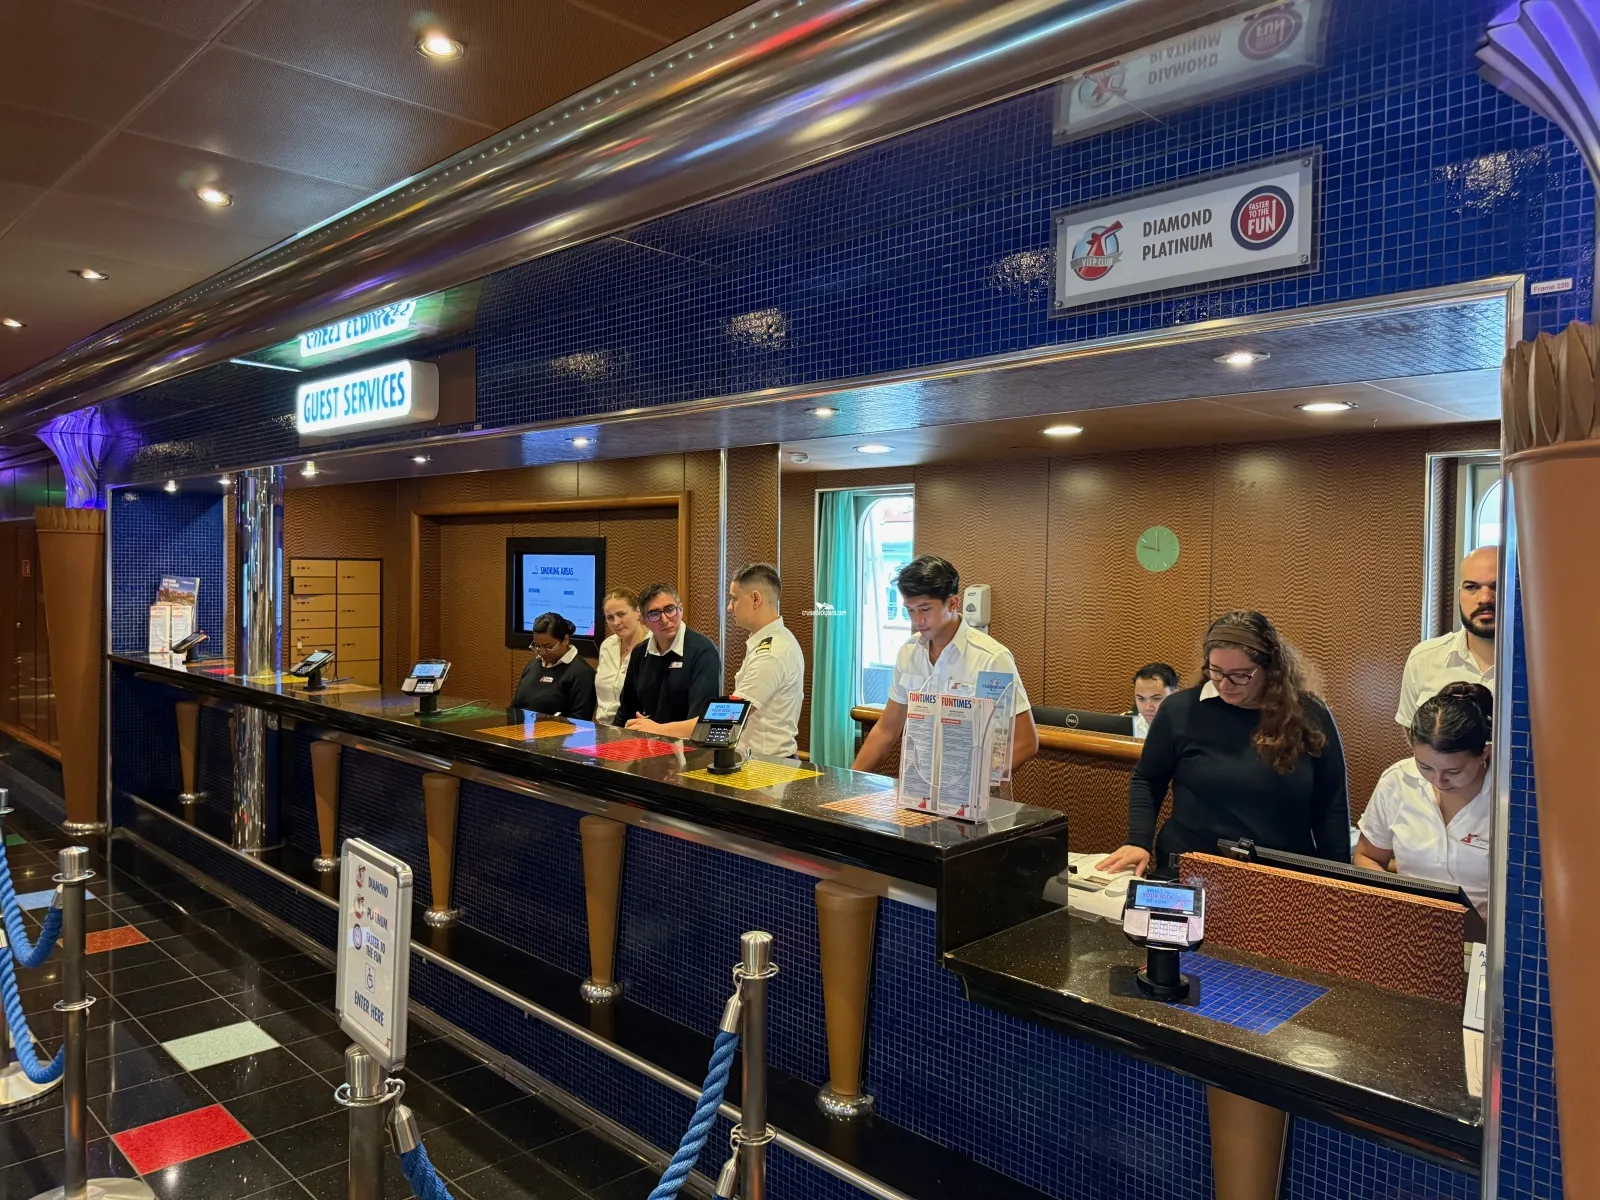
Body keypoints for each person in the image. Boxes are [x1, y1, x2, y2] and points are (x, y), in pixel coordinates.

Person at [1097, 611, 1350, 877]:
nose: (1225, 685)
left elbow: (1331, 805)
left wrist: (1341, 881)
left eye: (1240, 675)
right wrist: (1138, 840)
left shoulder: (1309, 714)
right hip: (1192, 866)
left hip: (1280, 875)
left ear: (1270, 668)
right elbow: (1147, 779)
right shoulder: (1180, 710)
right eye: (1216, 671)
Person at [852, 555, 1039, 774]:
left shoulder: (991, 658)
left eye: (925, 609)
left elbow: (1025, 742)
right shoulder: (909, 652)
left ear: (953, 603)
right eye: (910, 610)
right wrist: (849, 781)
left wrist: (975, 783)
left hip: (970, 790)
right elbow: (887, 730)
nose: (917, 620)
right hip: (917, 787)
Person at [1356, 682, 1492, 915]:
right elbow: (1366, 857)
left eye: (1454, 771)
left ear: (1484, 754)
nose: (1438, 780)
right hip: (1410, 922)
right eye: (1425, 767)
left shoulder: (1509, 798)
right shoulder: (1397, 781)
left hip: (1487, 931)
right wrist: (1397, 904)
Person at [1396, 546, 1497, 727]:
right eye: (1472, 587)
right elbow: (1412, 731)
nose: (1485, 598)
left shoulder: (1544, 667)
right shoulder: (1423, 659)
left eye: (1497, 586)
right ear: (1459, 595)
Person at [614, 583, 722, 737]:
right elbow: (626, 711)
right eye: (654, 614)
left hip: (687, 747)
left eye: (670, 609)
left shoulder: (703, 651)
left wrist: (657, 729)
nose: (664, 620)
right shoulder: (639, 652)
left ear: (680, 609)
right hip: (645, 744)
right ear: (643, 620)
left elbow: (702, 723)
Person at [726, 563, 805, 758]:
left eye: (734, 598)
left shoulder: (772, 651)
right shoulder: (771, 641)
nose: (729, 607)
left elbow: (729, 717)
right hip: (761, 762)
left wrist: (660, 728)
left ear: (755, 599)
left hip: (769, 767)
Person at [511, 612, 597, 720]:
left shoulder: (582, 673)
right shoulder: (532, 665)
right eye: (537, 646)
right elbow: (515, 705)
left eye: (548, 647)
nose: (542, 652)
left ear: (565, 640)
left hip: (558, 730)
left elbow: (581, 719)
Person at [594, 587, 647, 726]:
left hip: (634, 727)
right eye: (610, 617)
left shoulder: (652, 646)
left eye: (621, 614)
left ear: (638, 612)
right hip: (602, 726)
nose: (616, 622)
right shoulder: (607, 645)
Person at [1130, 662, 1179, 740]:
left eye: (1156, 699)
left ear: (1175, 696)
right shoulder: (1127, 725)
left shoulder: (1190, 729)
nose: (1148, 707)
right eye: (1141, 699)